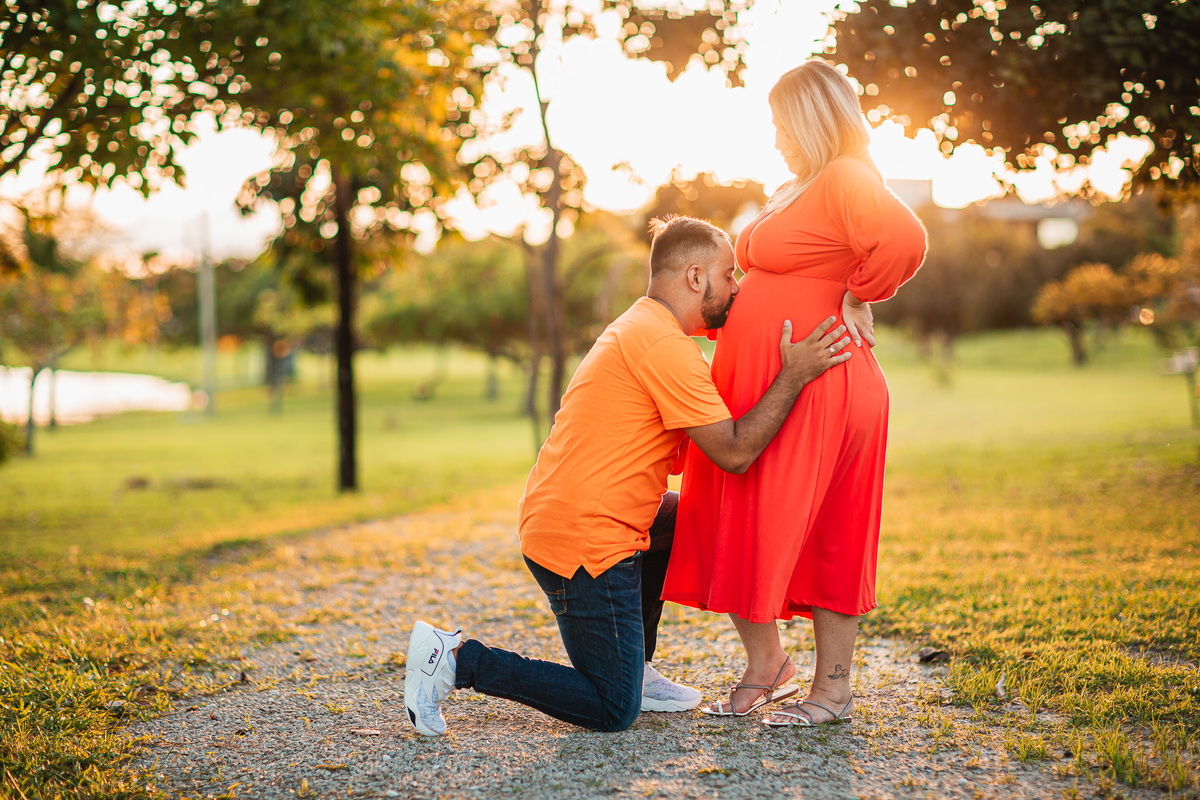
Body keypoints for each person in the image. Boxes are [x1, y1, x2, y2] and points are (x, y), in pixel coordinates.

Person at [405, 215, 855, 736]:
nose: (737, 287)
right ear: (694, 277)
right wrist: (795, 375)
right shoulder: (663, 346)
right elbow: (733, 452)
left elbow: (701, 452)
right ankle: (457, 660)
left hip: (577, 515)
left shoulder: (646, 328)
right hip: (585, 538)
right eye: (729, 274)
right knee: (612, 708)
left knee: (693, 519)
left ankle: (635, 666)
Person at [661, 60, 928, 727]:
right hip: (776, 382)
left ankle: (831, 691)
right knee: (740, 516)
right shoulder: (796, 185)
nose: (776, 135)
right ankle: (767, 666)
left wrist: (856, 293)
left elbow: (904, 240)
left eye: (783, 123)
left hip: (822, 380)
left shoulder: (845, 175)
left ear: (812, 119)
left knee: (828, 530)